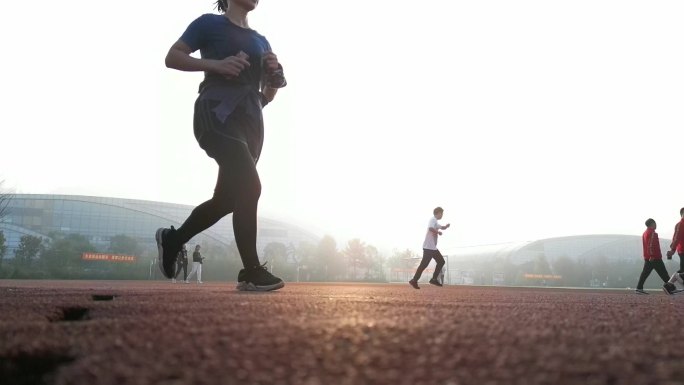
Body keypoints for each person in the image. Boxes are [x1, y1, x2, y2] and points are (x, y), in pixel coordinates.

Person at [155, 0, 286, 291]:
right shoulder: (208, 24)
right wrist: (216, 65)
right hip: (216, 114)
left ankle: (173, 239)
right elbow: (172, 57)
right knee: (251, 187)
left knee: (228, 199)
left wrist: (273, 74)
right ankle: (251, 270)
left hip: (251, 122)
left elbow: (271, 90)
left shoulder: (261, 40)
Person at [409, 207, 450, 289]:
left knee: (440, 261)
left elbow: (440, 227)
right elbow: (430, 228)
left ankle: (433, 279)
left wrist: (445, 227)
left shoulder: (435, 222)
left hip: (432, 248)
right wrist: (437, 232)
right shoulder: (433, 219)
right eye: (441, 213)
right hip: (428, 247)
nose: (442, 215)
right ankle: (415, 280)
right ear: (437, 213)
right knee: (425, 264)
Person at [635, 218, 677, 295]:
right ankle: (671, 288)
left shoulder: (645, 233)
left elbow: (647, 245)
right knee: (663, 273)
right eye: (655, 223)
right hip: (655, 257)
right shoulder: (653, 233)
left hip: (648, 257)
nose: (656, 225)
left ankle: (639, 288)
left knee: (645, 273)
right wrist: (652, 255)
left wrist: (650, 255)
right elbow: (651, 245)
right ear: (653, 224)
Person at [666, 207, 684, 273]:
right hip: (683, 250)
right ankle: (670, 282)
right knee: (682, 272)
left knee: (682, 271)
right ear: (682, 214)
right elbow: (676, 238)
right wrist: (673, 250)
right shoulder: (680, 224)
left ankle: (670, 282)